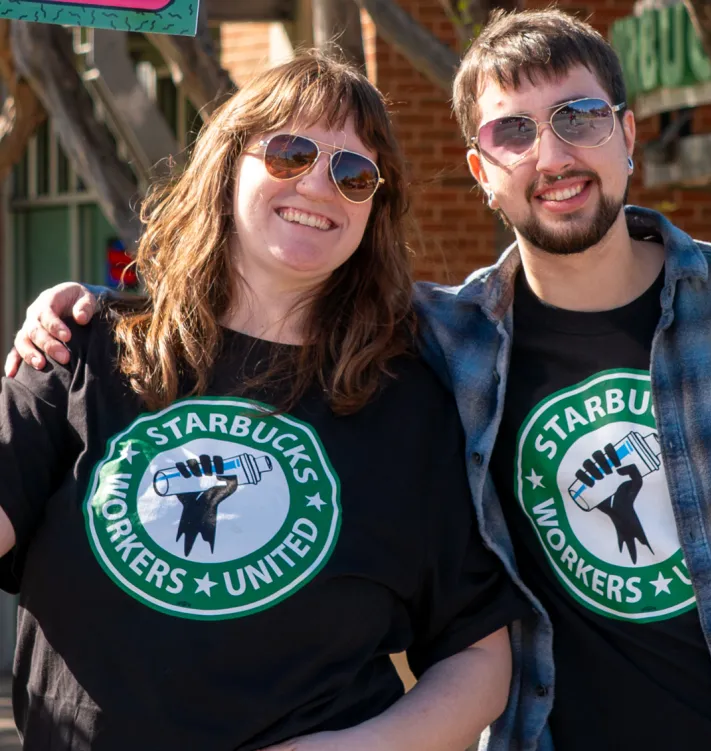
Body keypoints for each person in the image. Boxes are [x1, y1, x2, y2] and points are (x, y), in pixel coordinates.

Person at [12, 8, 711, 751]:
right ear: (481, 172)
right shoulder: (447, 342)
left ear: (628, 135)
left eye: (580, 117)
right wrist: (86, 307)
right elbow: (259, 311)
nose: (551, 154)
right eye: (513, 131)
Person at [0, 50, 529, 751]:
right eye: (290, 152)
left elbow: (481, 655)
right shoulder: (82, 350)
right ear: (227, 164)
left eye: (354, 174)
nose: (319, 184)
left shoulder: (410, 404)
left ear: (374, 211)